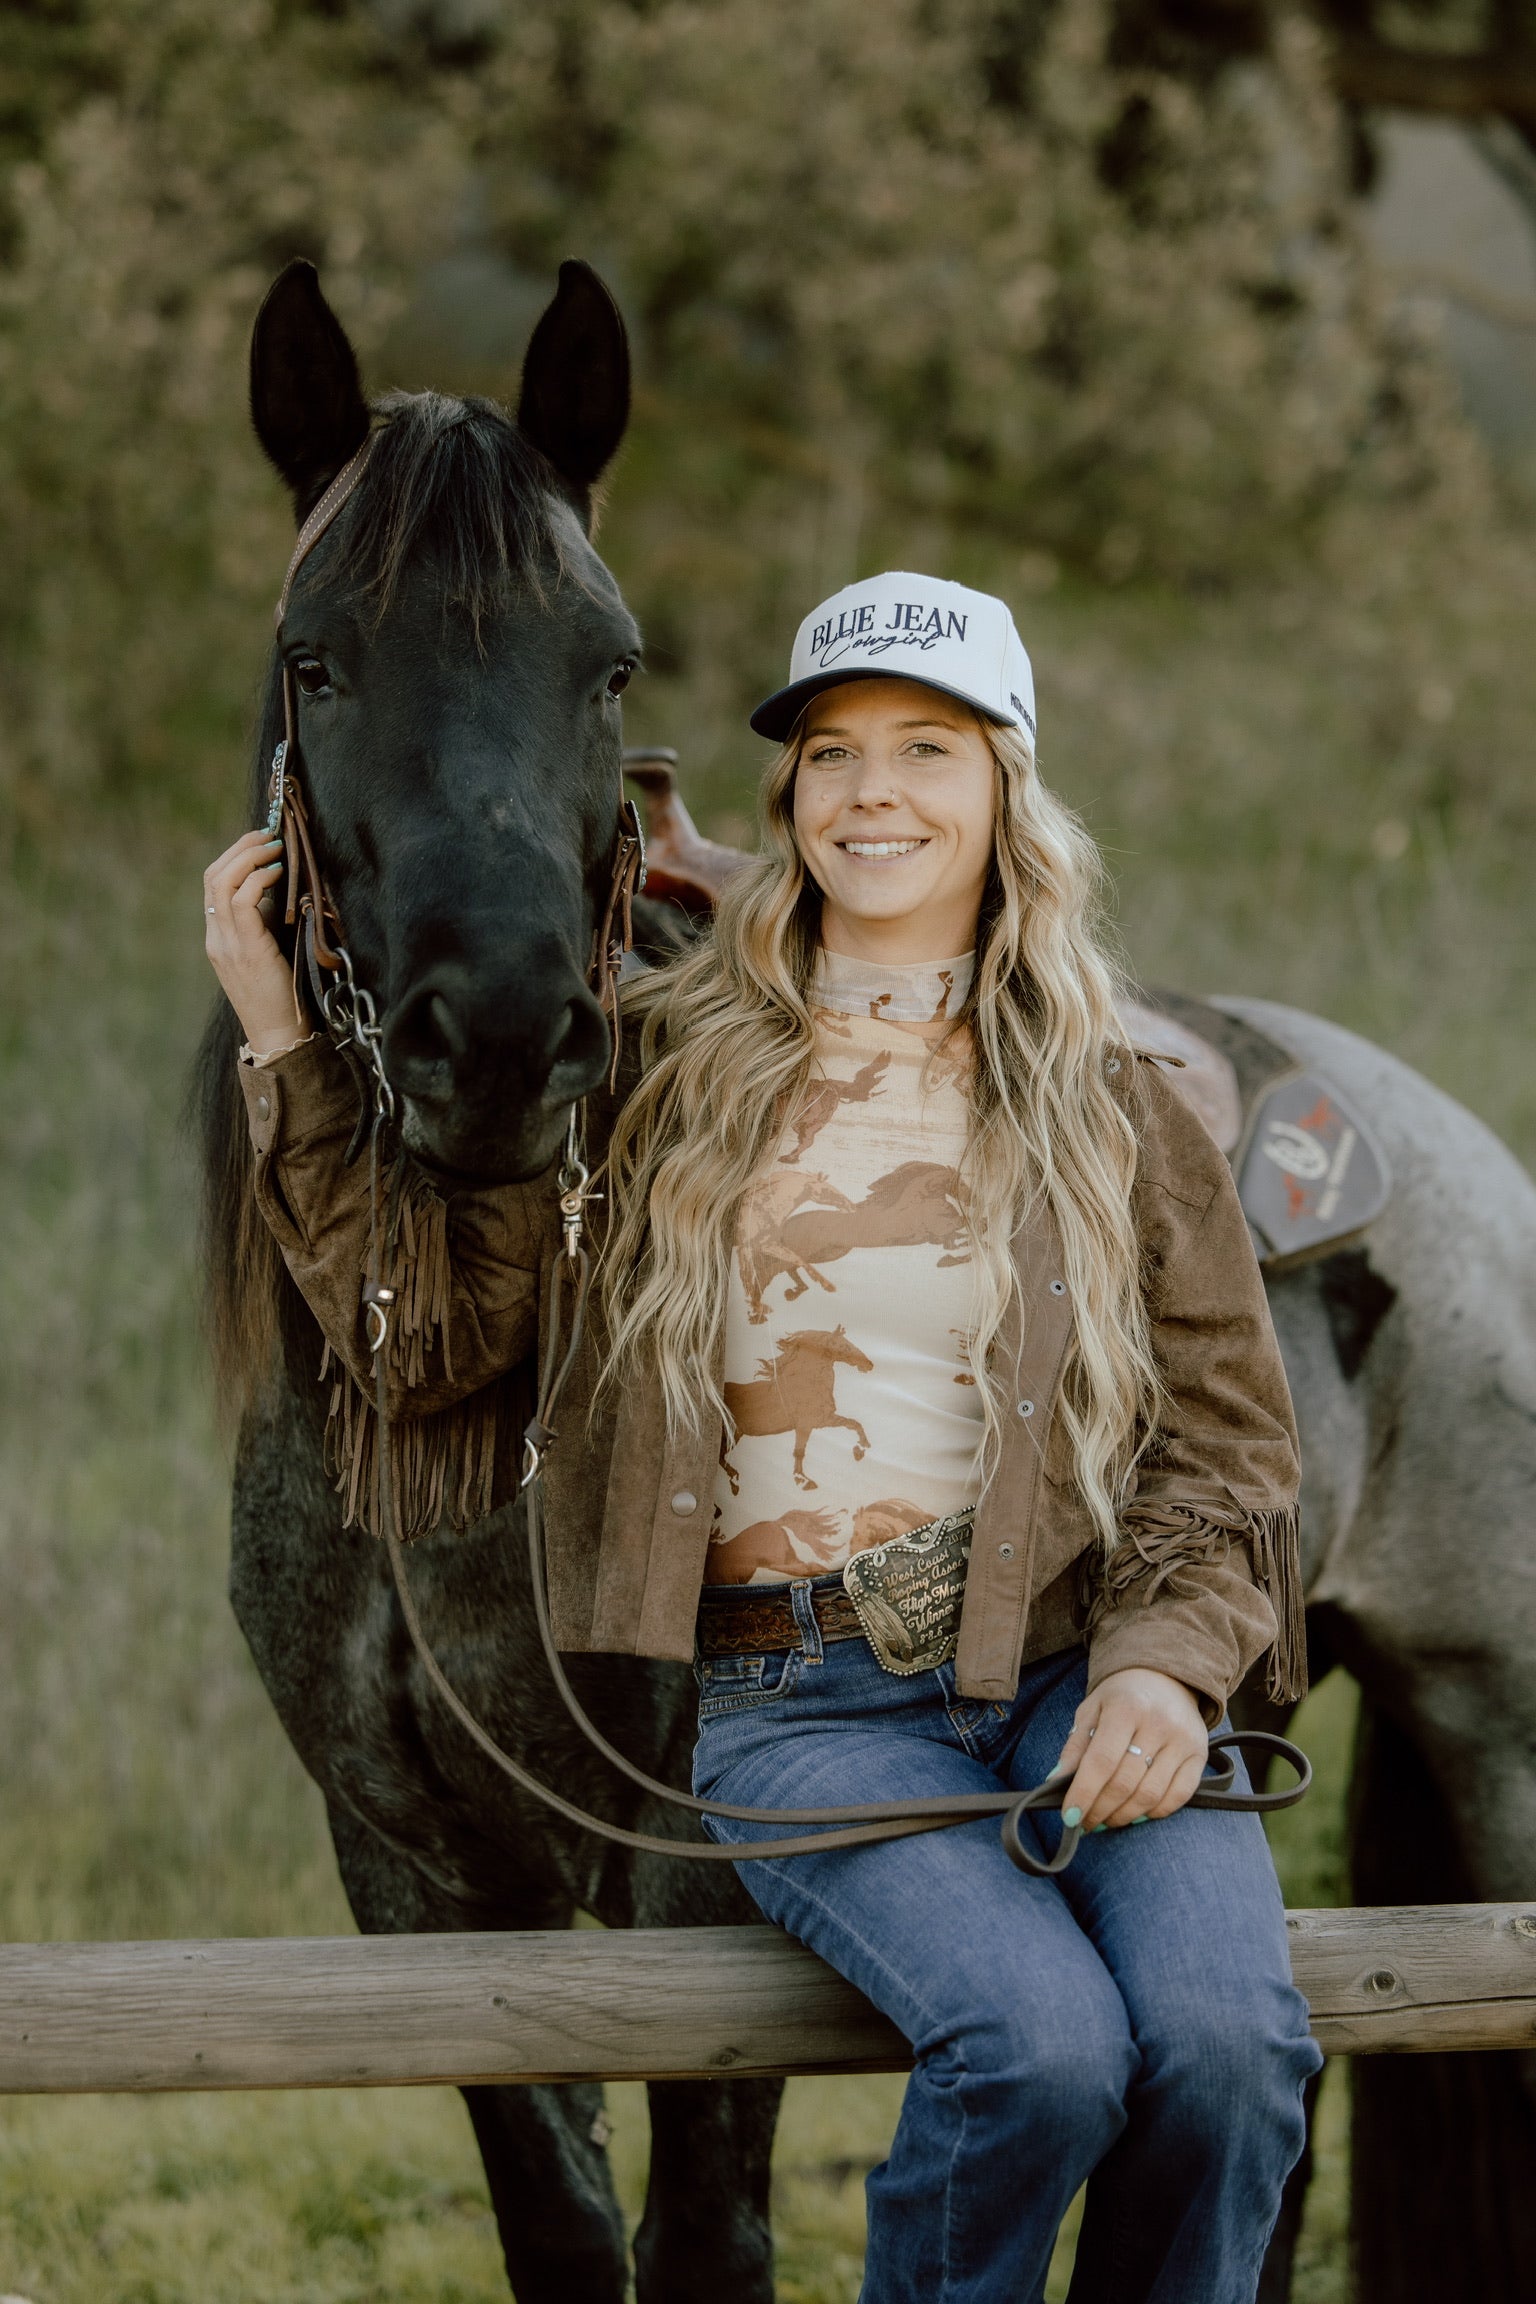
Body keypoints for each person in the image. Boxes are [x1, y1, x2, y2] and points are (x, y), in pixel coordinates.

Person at [205, 570, 1322, 2302]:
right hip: (811, 1707)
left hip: (1075, 1673)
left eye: (929, 749)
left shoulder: (1111, 1097)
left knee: (1234, 2052)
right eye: (834, 753)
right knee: (1034, 2054)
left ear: (1006, 787)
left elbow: (1229, 1441)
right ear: (790, 797)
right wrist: (283, 1039)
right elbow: (423, 1348)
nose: (876, 791)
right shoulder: (656, 1077)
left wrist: (1169, 1673)